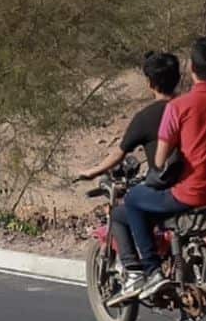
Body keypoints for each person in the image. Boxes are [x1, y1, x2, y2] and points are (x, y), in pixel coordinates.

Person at [118, 36, 206, 300]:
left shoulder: (177, 107)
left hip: (190, 194)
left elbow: (159, 161)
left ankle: (151, 271)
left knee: (135, 199)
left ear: (192, 69)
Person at [74, 51, 183, 271]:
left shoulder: (146, 117)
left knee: (121, 212)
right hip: (196, 185)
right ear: (178, 78)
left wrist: (92, 171)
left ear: (150, 83)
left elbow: (119, 153)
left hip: (167, 192)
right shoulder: (189, 109)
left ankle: (139, 269)